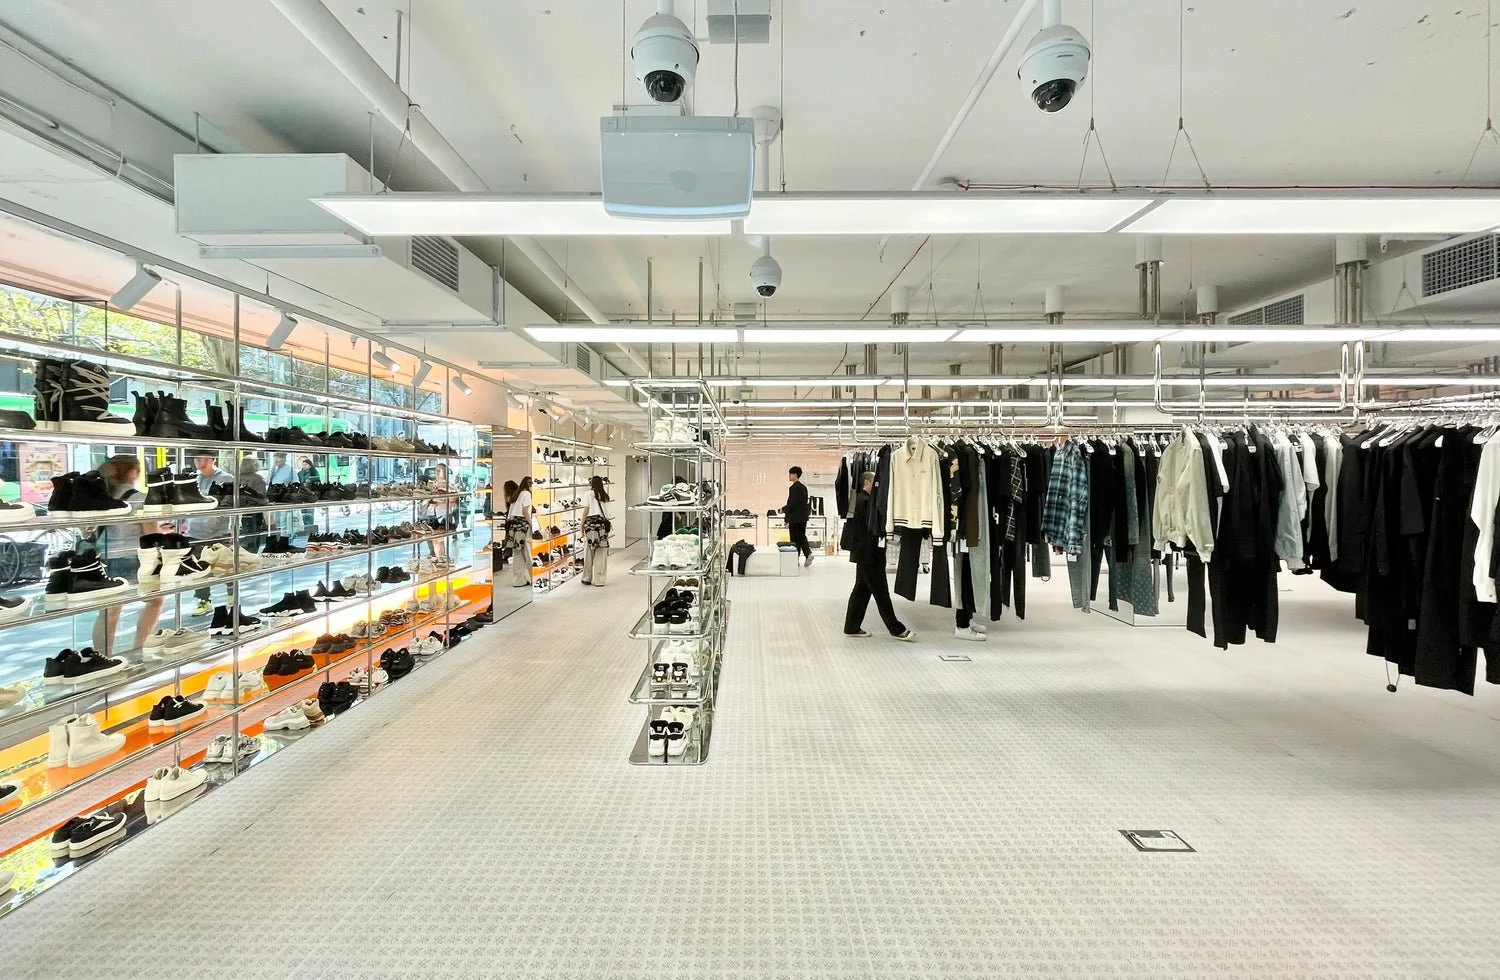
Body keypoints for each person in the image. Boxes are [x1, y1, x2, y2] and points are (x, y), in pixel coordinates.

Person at [90, 455, 165, 656]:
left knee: (108, 612)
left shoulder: (102, 498)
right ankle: (139, 651)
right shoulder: (139, 498)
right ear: (133, 472)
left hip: (105, 558)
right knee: (155, 601)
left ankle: (101, 657)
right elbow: (152, 535)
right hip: (134, 558)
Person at [843, 470, 914, 641]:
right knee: (881, 592)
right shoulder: (867, 502)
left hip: (863, 553)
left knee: (861, 590)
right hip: (870, 554)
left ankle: (851, 626)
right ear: (867, 483)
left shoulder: (858, 500)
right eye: (875, 482)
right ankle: (896, 629)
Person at [187, 451, 235, 617]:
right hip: (194, 531)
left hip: (218, 532)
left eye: (206, 459)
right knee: (199, 568)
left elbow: (226, 507)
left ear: (214, 459)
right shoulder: (193, 478)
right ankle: (203, 600)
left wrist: (212, 526)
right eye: (198, 459)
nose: (201, 463)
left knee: (225, 565)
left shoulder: (226, 478)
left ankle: (232, 595)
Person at [581, 475, 611, 587]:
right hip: (602, 526)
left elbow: (586, 510)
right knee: (601, 552)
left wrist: (581, 525)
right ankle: (600, 580)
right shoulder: (604, 495)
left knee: (589, 552)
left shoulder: (588, 494)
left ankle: (587, 577)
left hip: (591, 526)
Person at [504, 478, 534, 587]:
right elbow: (525, 512)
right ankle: (533, 577)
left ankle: (518, 580)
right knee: (528, 553)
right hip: (522, 525)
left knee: (517, 554)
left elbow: (510, 514)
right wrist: (532, 524)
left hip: (514, 526)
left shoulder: (517, 494)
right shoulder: (526, 494)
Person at [784, 465, 814, 567]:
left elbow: (792, 504)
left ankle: (794, 559)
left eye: (790, 474)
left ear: (795, 475)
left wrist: (783, 510)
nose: (789, 476)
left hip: (794, 518)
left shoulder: (793, 488)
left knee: (794, 539)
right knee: (801, 536)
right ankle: (808, 553)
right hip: (803, 517)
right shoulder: (803, 488)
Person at [237, 456, 268, 553]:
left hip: (242, 511)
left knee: (247, 535)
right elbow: (262, 498)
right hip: (254, 511)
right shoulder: (258, 479)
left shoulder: (237, 477)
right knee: (254, 536)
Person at [656, 473, 687, 540]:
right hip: (668, 529)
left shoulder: (677, 496)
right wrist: (677, 514)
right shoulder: (670, 496)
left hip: (669, 529)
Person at [295, 455, 320, 531]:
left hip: (310, 495)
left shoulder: (313, 473)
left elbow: (317, 481)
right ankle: (305, 526)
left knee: (310, 512)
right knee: (303, 512)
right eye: (303, 464)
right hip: (302, 494)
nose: (304, 466)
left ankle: (310, 527)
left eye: (306, 464)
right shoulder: (300, 473)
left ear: (310, 465)